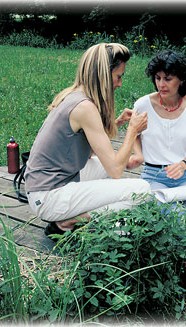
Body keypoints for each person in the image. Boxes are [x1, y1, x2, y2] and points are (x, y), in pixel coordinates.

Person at [24, 43, 151, 237]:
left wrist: (117, 123)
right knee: (142, 190)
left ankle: (74, 218)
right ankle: (68, 221)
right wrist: (133, 130)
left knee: (102, 166)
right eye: (118, 76)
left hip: (47, 185)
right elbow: (115, 170)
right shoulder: (84, 107)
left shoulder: (76, 95)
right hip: (48, 196)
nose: (120, 84)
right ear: (103, 75)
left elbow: (89, 151)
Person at [132, 50, 186, 224]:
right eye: (157, 78)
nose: (161, 84)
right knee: (174, 215)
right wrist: (139, 154)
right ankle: (179, 251)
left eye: (167, 79)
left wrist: (184, 164)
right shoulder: (143, 104)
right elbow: (134, 135)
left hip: (185, 175)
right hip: (153, 174)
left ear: (181, 79)